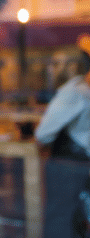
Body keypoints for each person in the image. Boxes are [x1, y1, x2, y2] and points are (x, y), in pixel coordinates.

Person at [35, 34, 90, 238]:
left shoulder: (71, 92)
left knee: (59, 223)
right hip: (80, 165)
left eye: (58, 63)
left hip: (68, 167)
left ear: (73, 67)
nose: (52, 69)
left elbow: (43, 134)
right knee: (74, 221)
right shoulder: (83, 89)